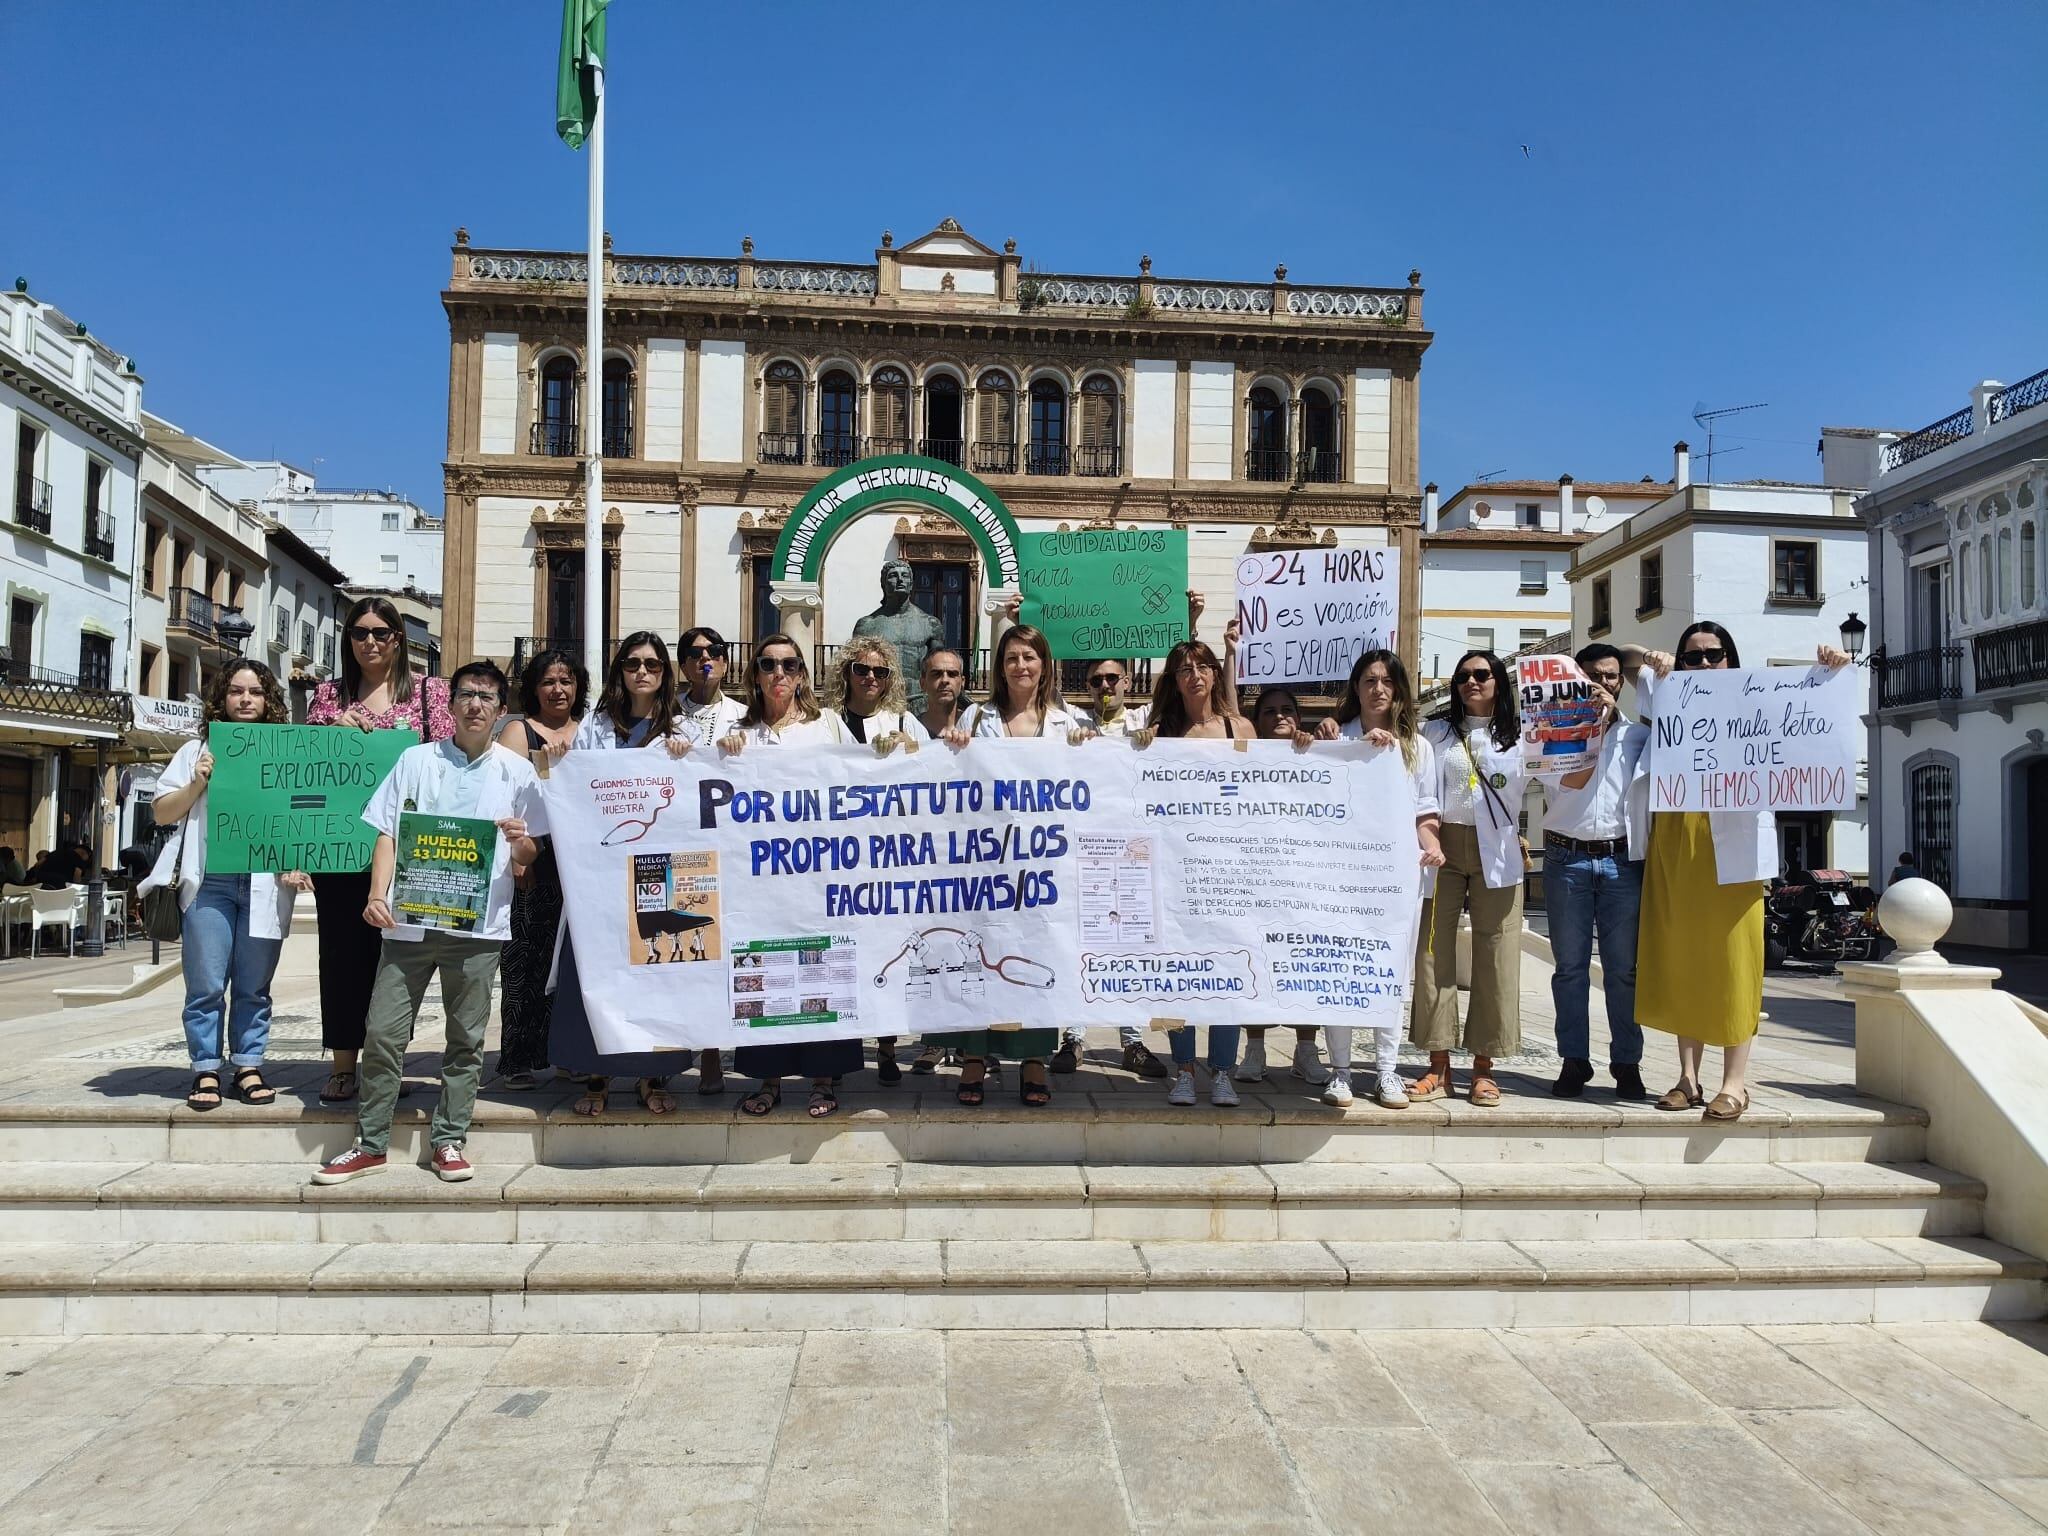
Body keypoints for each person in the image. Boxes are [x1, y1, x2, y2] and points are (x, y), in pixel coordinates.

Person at [312, 661, 544, 1184]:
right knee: (383, 1033)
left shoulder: (518, 772)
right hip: (409, 925)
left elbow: (531, 853)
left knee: (465, 1039)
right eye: (467, 694)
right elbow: (387, 833)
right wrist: (376, 894)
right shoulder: (415, 759)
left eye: (487, 697)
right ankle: (370, 1144)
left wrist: (520, 842)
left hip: (477, 930)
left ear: (501, 709)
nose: (476, 704)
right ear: (451, 703)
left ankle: (449, 1140)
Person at [1635, 624, 1852, 1122]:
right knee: (1683, 957)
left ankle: (1735, 1082)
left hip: (1735, 846)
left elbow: (1813, 718)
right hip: (1676, 838)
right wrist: (1651, 658)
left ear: (1731, 659)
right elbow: (1623, 658)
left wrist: (1834, 668)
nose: (1703, 664)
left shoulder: (1759, 701)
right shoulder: (1665, 692)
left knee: (1737, 961)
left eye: (1713, 655)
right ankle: (1688, 1078)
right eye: (1692, 656)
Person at [305, 595, 453, 1105]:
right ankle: (343, 1066)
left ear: (398, 639)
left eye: (381, 632)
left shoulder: (432, 693)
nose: (370, 641)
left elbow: (449, 758)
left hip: (409, 849)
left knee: (400, 962)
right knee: (341, 957)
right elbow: (306, 771)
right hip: (343, 849)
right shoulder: (327, 697)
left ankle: (387, 1065)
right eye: (360, 632)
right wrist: (331, 735)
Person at [142, 661, 307, 1111]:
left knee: (254, 985)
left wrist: (296, 863)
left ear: (269, 701)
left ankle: (249, 1065)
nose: (246, 699)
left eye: (255, 691)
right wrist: (198, 781)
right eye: (236, 691)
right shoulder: (195, 751)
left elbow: (298, 815)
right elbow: (162, 812)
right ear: (222, 698)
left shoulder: (284, 754)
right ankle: (206, 1068)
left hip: (265, 883)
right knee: (206, 984)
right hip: (209, 883)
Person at [554, 633, 703, 1112]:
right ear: (620, 670)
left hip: (657, 870)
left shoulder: (683, 729)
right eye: (633, 663)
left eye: (653, 665)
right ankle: (596, 1078)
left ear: (665, 673)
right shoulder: (594, 727)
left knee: (656, 969)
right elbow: (576, 789)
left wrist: (689, 759)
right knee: (599, 970)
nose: (642, 672)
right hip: (600, 873)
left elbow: (699, 796)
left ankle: (652, 1077)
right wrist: (560, 764)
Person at [720, 635, 864, 1118]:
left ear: (802, 674)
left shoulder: (828, 726)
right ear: (755, 675)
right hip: (758, 882)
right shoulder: (738, 730)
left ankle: (824, 1080)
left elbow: (865, 779)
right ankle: (769, 1080)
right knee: (766, 972)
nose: (778, 673)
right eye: (768, 664)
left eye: (788, 664)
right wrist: (721, 753)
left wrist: (898, 746)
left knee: (821, 969)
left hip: (819, 876)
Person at [939, 623, 1081, 1108]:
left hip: (1042, 862)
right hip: (985, 860)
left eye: (1030, 657)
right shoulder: (976, 717)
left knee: (1036, 951)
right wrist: (952, 744)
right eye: (1012, 657)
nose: (1021, 665)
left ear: (1044, 665)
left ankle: (1034, 1059)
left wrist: (1091, 746)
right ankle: (975, 1056)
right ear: (1000, 667)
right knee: (981, 950)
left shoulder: (1067, 721)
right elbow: (950, 775)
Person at [1310, 650, 1445, 1108]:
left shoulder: (1417, 747)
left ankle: (1386, 1070)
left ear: (1399, 688)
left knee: (1390, 973)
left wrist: (1431, 844)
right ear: (1357, 687)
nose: (1379, 689)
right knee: (1339, 971)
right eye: (1369, 680)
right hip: (1340, 877)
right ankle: (1341, 1071)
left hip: (1394, 881)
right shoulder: (1338, 737)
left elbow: (1426, 811)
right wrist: (1332, 742)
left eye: (1387, 681)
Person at [1412, 650, 1527, 1106]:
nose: (1471, 682)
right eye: (1462, 676)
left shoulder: (1523, 735)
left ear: (1499, 681)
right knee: (1432, 950)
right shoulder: (1434, 731)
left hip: (1498, 849)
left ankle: (1484, 1065)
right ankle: (1438, 1064)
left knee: (1497, 954)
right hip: (1441, 846)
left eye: (1481, 674)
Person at [1144, 637, 1252, 1107]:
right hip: (1173, 870)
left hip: (1228, 870)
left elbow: (1265, 787)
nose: (1195, 675)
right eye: (1185, 669)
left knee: (1229, 968)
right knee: (1177, 972)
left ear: (1213, 672)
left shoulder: (1238, 727)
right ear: (1174, 679)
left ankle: (1222, 1070)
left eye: (1202, 666)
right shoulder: (1158, 731)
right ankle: (1184, 1069)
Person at [1542, 643, 1651, 1101]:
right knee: (1569, 968)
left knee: (1623, 970)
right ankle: (1574, 1060)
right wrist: (1591, 729)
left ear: (1620, 681)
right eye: (1592, 676)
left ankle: (1627, 1063)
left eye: (1610, 676)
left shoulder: (1640, 736)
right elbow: (1570, 783)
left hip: (1621, 860)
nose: (1602, 683)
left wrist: (1640, 657)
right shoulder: (1551, 733)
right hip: (1566, 857)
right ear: (1575, 679)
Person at [827, 637, 929, 1085]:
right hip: (839, 856)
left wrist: (911, 748)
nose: (871, 677)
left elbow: (933, 773)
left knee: (887, 951)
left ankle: (887, 1048)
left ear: (890, 679)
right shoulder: (825, 721)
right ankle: (840, 1049)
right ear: (846, 673)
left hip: (889, 857)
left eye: (880, 672)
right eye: (862, 669)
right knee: (845, 954)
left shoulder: (903, 721)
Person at [493, 647, 587, 1089]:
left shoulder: (588, 731)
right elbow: (503, 796)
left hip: (576, 863)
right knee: (523, 962)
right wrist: (515, 857)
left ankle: (564, 1052)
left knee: (567, 964)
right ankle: (516, 1059)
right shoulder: (518, 731)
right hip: (530, 856)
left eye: (566, 681)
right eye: (548, 681)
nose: (558, 689)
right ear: (533, 688)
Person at [1239, 683, 1334, 1089]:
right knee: (1256, 961)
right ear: (1256, 723)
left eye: (1287, 710)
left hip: (1305, 880)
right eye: (1269, 711)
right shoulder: (1242, 759)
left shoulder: (1315, 755)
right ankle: (1255, 1048)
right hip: (1256, 877)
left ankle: (1306, 1050)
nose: (1279, 716)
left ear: (1298, 717)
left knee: (1306, 961)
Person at [851, 558, 948, 711]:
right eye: (893, 575)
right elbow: (855, 671)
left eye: (905, 576)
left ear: (911, 584)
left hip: (919, 703)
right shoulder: (867, 625)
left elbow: (941, 667)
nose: (900, 580)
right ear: (883, 584)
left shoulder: (930, 624)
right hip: (881, 703)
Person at [675, 626, 748, 748]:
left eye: (714, 650)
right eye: (695, 652)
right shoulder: (667, 712)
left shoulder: (744, 715)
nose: (705, 656)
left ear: (725, 666)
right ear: (684, 669)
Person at [915, 647, 971, 741]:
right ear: (923, 683)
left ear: (962, 682)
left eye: (952, 674)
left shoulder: (977, 728)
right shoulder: (911, 731)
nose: (945, 680)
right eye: (936, 674)